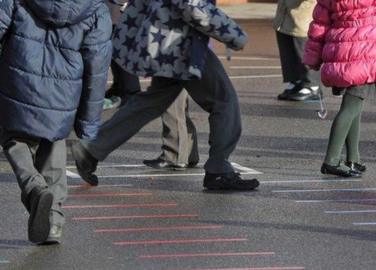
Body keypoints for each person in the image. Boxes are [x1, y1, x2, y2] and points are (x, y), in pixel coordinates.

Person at [71, 0, 260, 190]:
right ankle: (219, 170)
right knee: (224, 101)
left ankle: (92, 149)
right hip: (179, 42)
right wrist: (234, 34)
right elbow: (192, 5)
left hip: (164, 37)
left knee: (150, 103)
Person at [0, 0, 111, 244]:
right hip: (63, 92)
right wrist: (88, 122)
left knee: (14, 140)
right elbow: (97, 66)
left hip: (18, 83)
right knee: (53, 143)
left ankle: (34, 188)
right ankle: (53, 221)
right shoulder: (95, 8)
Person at [303, 0, 376, 177]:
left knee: (355, 104)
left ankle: (353, 158)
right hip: (369, 50)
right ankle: (331, 160)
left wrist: (313, 58)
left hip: (342, 49)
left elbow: (319, 25)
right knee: (351, 107)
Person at [105, 0, 199, 170]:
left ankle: (175, 155)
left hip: (172, 34)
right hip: (180, 33)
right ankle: (188, 152)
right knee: (177, 98)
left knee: (171, 99)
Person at [273, 0, 327, 107]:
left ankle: (312, 86)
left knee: (304, 50)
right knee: (287, 46)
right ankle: (296, 81)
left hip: (303, 14)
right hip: (285, 13)